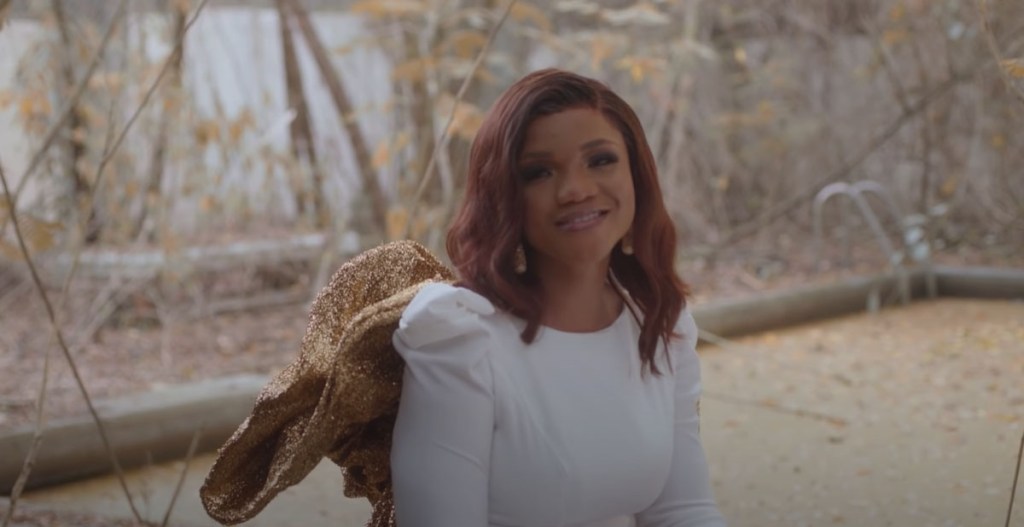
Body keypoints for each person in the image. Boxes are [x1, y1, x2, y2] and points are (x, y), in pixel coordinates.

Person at [389, 68, 727, 526]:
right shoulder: (460, 339)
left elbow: (683, 509)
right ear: (504, 195)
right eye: (539, 172)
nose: (575, 190)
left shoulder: (659, 323)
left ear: (636, 174)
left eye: (600, 160)